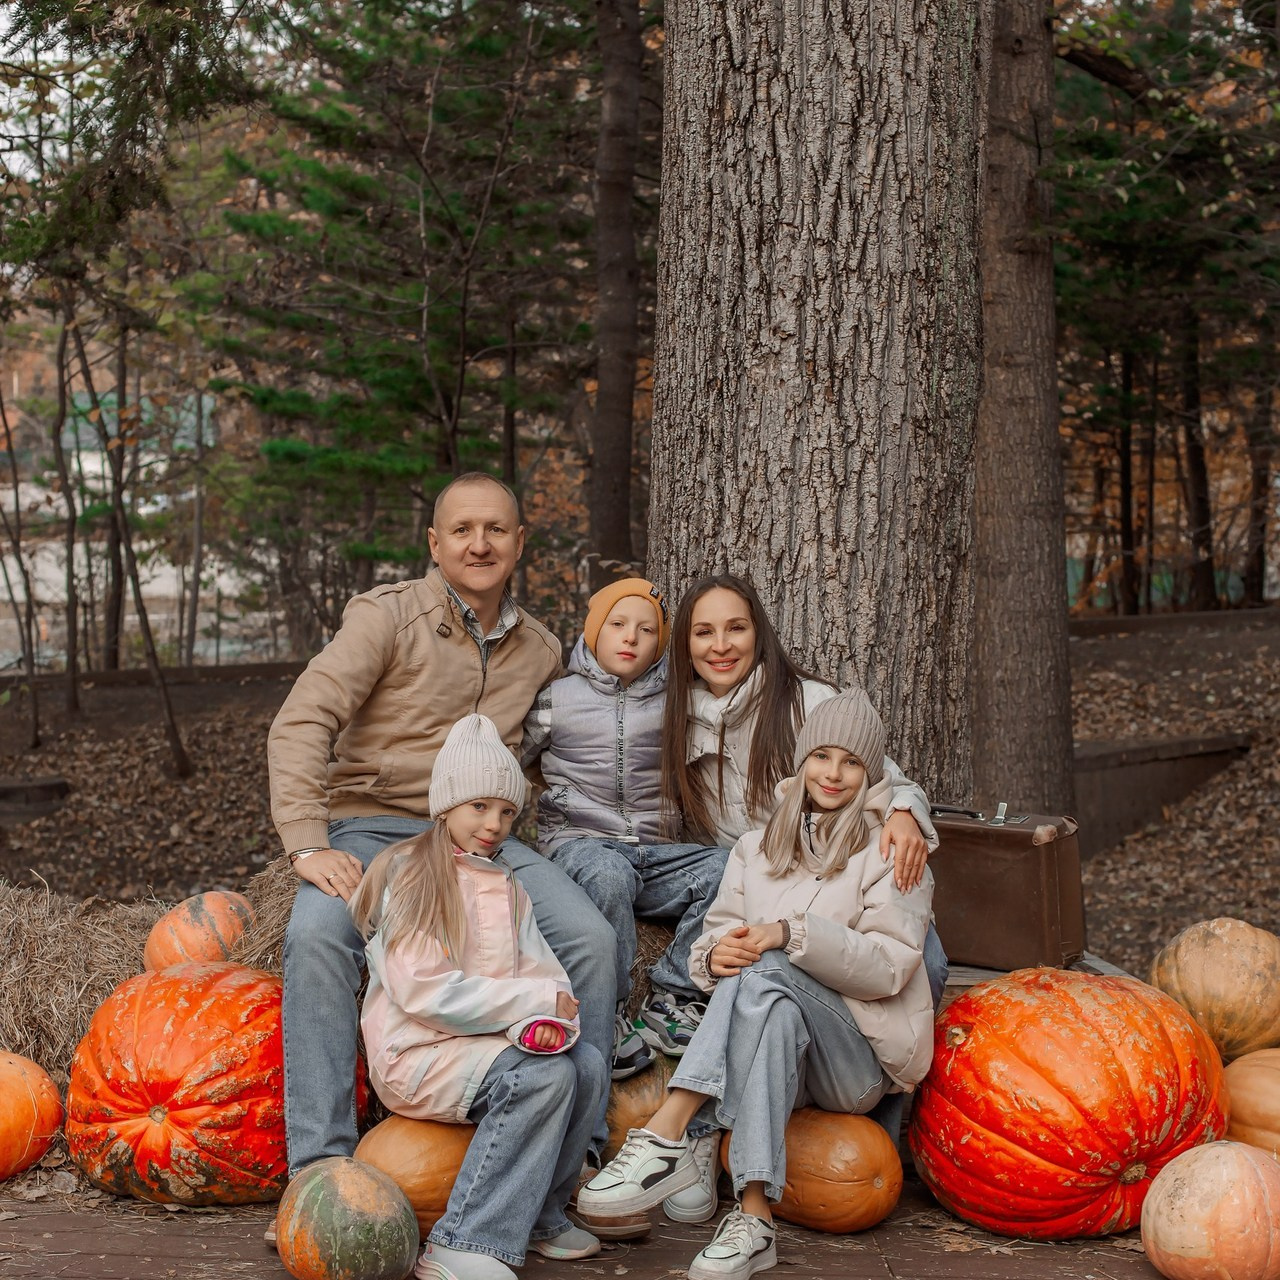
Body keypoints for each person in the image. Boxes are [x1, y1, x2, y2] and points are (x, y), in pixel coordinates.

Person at [266, 472, 618, 1193]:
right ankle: (320, 1177)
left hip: (488, 836)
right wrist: (307, 840)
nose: (479, 543)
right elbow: (304, 720)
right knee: (316, 935)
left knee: (591, 938)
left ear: (521, 543)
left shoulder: (543, 650)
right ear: (435, 543)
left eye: (495, 530)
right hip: (375, 828)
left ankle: (572, 1165)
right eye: (462, 530)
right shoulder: (385, 619)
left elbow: (587, 737)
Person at [577, 690, 936, 1280]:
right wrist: (715, 956)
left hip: (857, 1060)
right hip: (773, 1044)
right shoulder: (755, 848)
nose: (834, 774)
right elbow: (713, 940)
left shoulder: (893, 850)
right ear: (801, 761)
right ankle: (754, 1220)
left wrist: (788, 933)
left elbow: (888, 968)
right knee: (765, 990)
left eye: (851, 762)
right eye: (822, 756)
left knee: (769, 970)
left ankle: (669, 1128)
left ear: (871, 774)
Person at [654, 573, 948, 1211]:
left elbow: (882, 775)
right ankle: (713, 1153)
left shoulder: (809, 703)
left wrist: (902, 812)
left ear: (759, 633)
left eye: (736, 627)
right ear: (684, 645)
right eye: (703, 632)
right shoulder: (674, 713)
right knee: (742, 965)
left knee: (924, 961)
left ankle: (880, 1137)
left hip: (844, 874)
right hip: (762, 872)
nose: (721, 645)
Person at [352, 715, 608, 1280]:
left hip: (486, 1046)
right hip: (417, 1055)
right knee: (542, 1078)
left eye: (507, 812)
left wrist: (553, 1009)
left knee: (585, 1063)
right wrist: (526, 1005)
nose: (494, 825)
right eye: (479, 808)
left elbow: (546, 973)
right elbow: (424, 991)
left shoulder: (508, 887)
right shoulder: (414, 877)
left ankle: (541, 1214)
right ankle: (462, 1241)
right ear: (446, 806)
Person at [522, 577, 728, 1087]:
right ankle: (610, 1015)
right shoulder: (556, 698)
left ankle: (672, 996)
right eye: (617, 625)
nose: (630, 638)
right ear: (594, 631)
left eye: (645, 630)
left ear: (661, 642)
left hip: (656, 850)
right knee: (608, 874)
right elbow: (517, 760)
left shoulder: (679, 701)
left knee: (729, 866)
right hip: (581, 846)